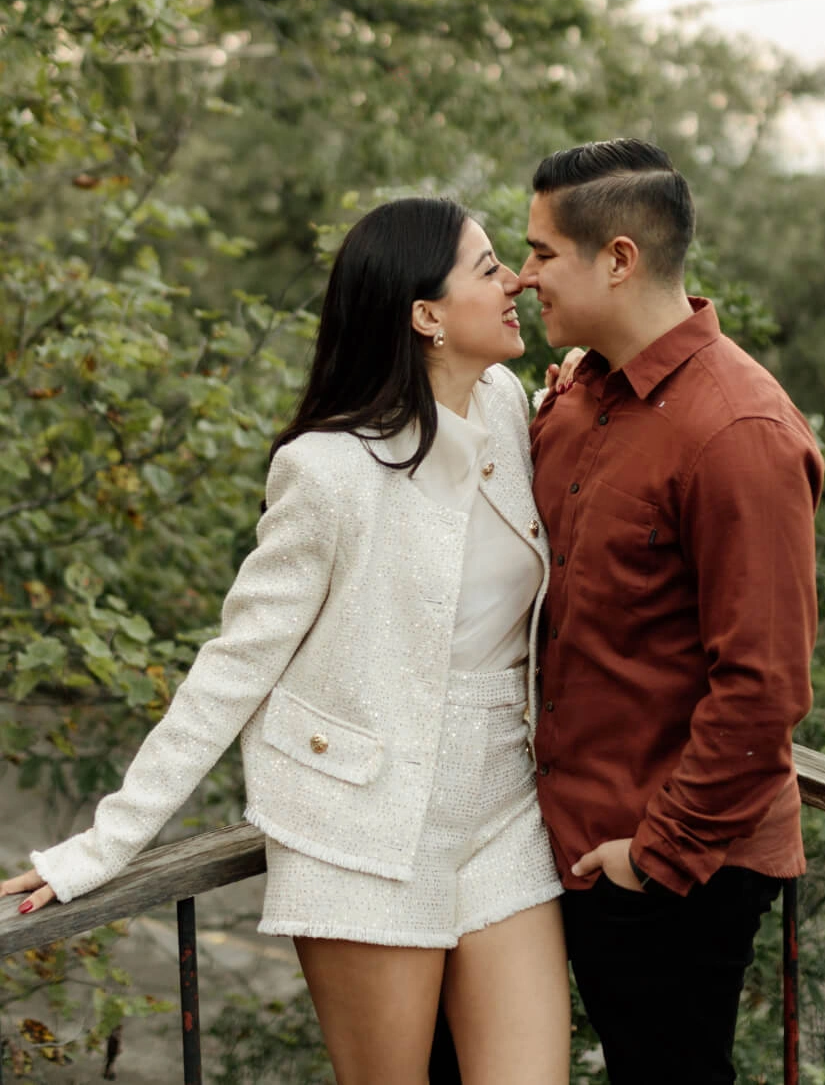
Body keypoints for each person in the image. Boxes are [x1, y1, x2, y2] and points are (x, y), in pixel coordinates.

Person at [0, 197, 571, 1085]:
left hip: (503, 805)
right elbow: (232, 669)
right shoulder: (328, 471)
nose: (517, 282)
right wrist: (102, 848)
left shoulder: (505, 405)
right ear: (425, 316)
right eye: (490, 267)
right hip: (362, 824)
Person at [515, 139, 825, 1085]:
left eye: (539, 253)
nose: (524, 277)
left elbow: (764, 686)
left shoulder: (739, 433)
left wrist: (656, 856)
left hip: (675, 860)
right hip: (555, 840)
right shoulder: (576, 397)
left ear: (618, 257)